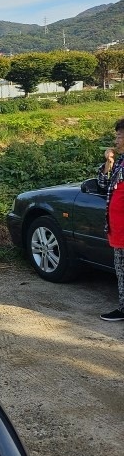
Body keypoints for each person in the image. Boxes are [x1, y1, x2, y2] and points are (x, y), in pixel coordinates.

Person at [97, 117, 124, 320]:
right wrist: (109, 162)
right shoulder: (120, 162)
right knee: (121, 271)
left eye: (119, 135)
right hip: (117, 228)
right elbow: (103, 184)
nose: (116, 139)